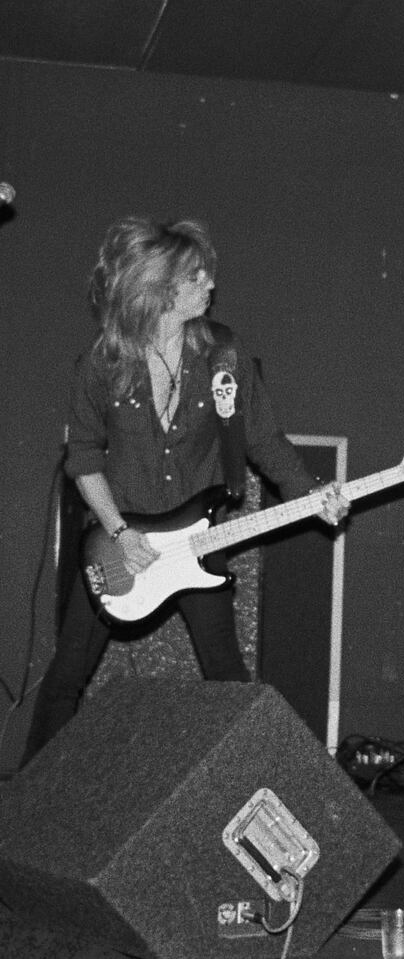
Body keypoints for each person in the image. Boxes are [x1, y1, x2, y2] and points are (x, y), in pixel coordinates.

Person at [23, 217, 347, 765]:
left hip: (197, 539)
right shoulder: (103, 362)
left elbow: (263, 439)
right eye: (196, 276)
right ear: (160, 288)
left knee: (226, 675)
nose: (210, 285)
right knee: (67, 676)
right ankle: (31, 801)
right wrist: (119, 532)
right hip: (116, 542)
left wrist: (312, 495)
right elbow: (84, 460)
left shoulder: (223, 354)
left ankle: (249, 786)